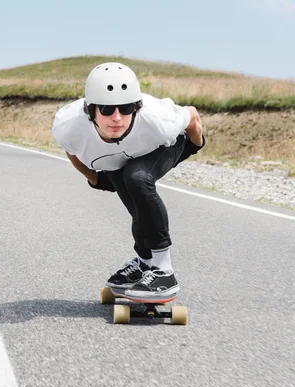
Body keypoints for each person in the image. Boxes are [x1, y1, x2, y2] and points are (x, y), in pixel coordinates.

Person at [51, 62, 205, 300]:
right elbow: (71, 149)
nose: (117, 118)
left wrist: (195, 146)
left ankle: (164, 271)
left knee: (137, 178)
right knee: (136, 205)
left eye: (125, 108)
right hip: (117, 158)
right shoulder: (69, 125)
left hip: (166, 145)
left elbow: (193, 116)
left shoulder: (158, 120)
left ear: (136, 107)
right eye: (107, 109)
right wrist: (94, 178)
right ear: (90, 110)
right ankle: (144, 264)